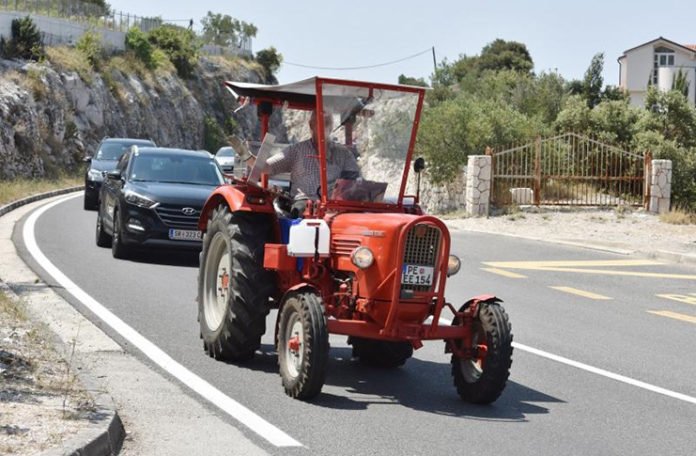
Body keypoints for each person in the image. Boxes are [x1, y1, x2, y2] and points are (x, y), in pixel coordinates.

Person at [231, 110, 361, 206]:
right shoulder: (296, 150)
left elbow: (357, 180)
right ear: (311, 126)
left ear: (332, 127)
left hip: (335, 206)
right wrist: (245, 155)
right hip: (304, 204)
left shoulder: (343, 154)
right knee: (301, 207)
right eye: (319, 123)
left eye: (327, 123)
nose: (324, 127)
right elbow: (266, 167)